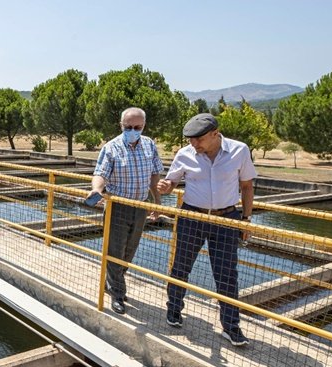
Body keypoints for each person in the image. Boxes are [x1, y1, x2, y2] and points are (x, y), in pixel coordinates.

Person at [156, 113, 256, 346]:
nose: (194, 144)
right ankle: (174, 310)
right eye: (190, 140)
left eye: (199, 139)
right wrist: (165, 186)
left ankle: (231, 327)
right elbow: (172, 182)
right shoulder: (185, 153)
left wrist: (246, 219)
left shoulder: (239, 150)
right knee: (181, 266)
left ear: (215, 134)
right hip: (192, 216)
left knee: (227, 274)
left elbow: (247, 186)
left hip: (226, 219)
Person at [86, 107, 162, 315]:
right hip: (118, 206)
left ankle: (111, 283)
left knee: (130, 250)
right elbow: (100, 173)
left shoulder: (149, 145)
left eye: (137, 127)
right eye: (128, 127)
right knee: (115, 251)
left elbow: (155, 174)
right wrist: (97, 189)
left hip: (140, 206)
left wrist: (157, 201)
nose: (133, 131)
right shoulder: (111, 147)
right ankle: (118, 294)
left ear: (143, 126)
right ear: (121, 125)